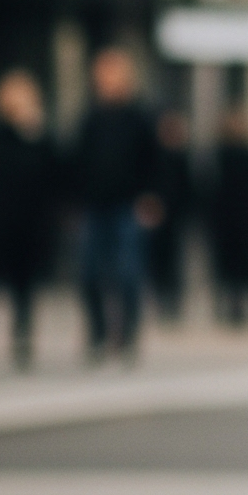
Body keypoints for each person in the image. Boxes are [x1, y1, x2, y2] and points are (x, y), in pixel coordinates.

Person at [69, 47, 162, 360]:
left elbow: (155, 162)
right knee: (90, 273)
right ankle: (98, 333)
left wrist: (151, 198)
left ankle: (128, 334)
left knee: (128, 273)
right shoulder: (90, 118)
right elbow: (77, 162)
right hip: (95, 207)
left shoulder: (140, 118)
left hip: (128, 206)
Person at [0, 70, 57, 366]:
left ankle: (22, 336)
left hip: (27, 222)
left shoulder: (38, 135)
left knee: (23, 285)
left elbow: (53, 173)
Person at [206, 107, 248, 325]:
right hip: (226, 219)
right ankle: (231, 306)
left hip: (246, 219)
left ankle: (247, 305)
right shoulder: (219, 156)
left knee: (246, 264)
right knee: (227, 266)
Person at [148, 109, 194, 321]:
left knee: (174, 261)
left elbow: (188, 188)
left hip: (176, 216)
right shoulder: (155, 155)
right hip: (158, 215)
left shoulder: (182, 157)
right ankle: (161, 300)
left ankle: (173, 302)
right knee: (159, 260)